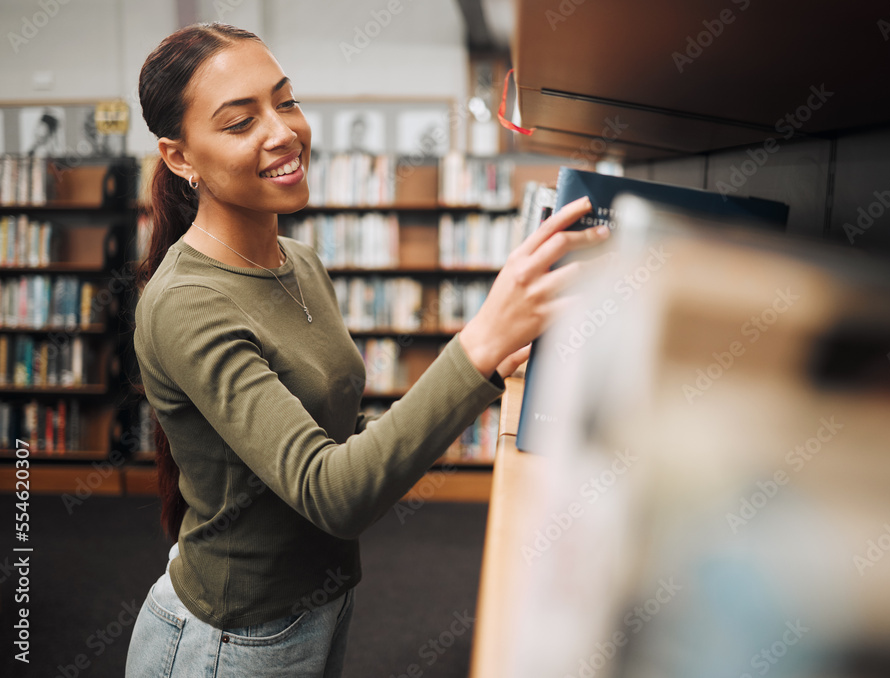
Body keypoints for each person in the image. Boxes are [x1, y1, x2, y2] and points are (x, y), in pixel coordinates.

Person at [125, 22, 606, 678]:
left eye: (286, 101)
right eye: (240, 122)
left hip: (319, 605)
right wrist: (477, 347)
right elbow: (334, 491)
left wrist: (493, 362)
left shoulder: (303, 263)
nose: (283, 132)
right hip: (233, 639)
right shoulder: (186, 302)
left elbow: (340, 442)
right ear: (179, 158)